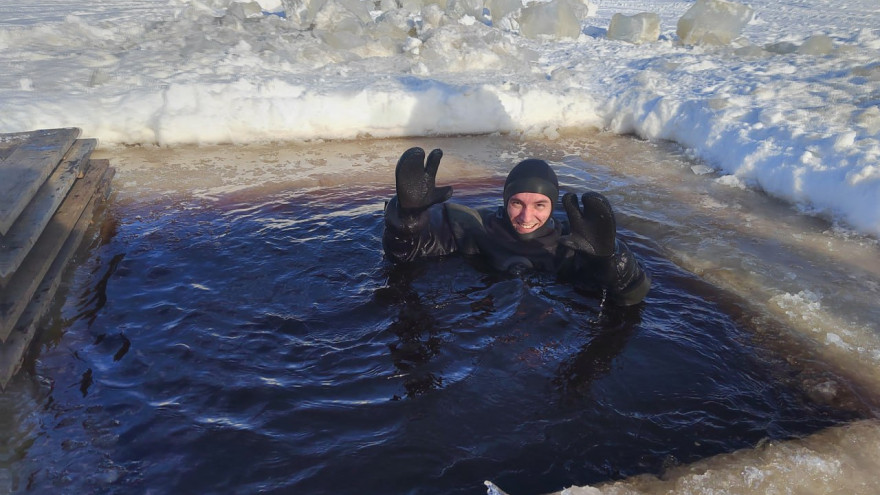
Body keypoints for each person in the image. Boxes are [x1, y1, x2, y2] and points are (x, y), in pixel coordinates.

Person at [382, 147, 651, 306]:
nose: (526, 217)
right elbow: (404, 255)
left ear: (552, 205)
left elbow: (630, 299)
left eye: (539, 206)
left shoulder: (571, 248)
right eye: (517, 203)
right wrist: (407, 218)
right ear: (505, 200)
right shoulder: (472, 227)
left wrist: (610, 259)